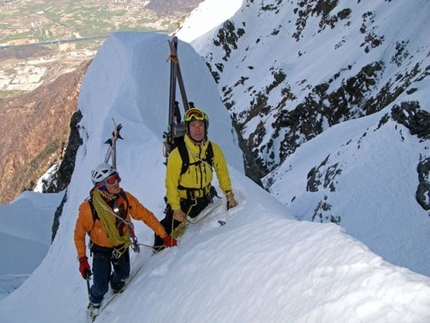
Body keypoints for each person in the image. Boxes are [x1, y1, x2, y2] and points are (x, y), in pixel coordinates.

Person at [74, 163, 177, 317]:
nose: (117, 183)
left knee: (123, 275)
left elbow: (145, 215)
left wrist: (164, 235)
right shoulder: (89, 208)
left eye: (117, 178)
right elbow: (79, 234)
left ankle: (115, 285)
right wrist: (82, 259)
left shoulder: (125, 198)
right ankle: (95, 300)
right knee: (100, 286)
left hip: (121, 244)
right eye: (112, 180)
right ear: (101, 186)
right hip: (101, 249)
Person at [154, 107, 238, 249]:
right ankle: (157, 253)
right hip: (183, 203)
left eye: (200, 125)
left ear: (206, 128)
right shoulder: (177, 155)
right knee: (163, 233)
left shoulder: (213, 149)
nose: (197, 129)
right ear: (187, 128)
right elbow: (171, 184)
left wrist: (229, 195)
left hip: (205, 198)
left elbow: (222, 173)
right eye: (193, 125)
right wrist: (175, 209)